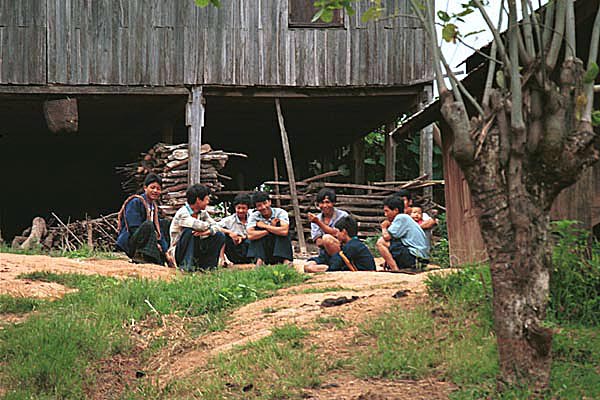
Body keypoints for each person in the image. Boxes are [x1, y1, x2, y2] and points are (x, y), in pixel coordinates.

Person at [116, 173, 171, 266]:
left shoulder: (154, 207)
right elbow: (133, 228)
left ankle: (163, 257)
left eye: (158, 189)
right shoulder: (135, 202)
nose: (155, 191)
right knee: (148, 225)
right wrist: (154, 243)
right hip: (132, 242)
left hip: (146, 239)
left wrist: (165, 250)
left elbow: (158, 231)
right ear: (145, 188)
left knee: (165, 223)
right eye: (152, 187)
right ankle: (140, 254)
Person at [168, 184, 225, 272]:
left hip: (196, 248)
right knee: (189, 231)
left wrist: (208, 232)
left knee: (219, 235)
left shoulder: (202, 213)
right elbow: (198, 225)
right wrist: (208, 228)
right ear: (198, 200)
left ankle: (209, 267)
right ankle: (186, 266)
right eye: (206, 199)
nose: (208, 201)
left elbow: (218, 226)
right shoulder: (182, 213)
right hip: (179, 251)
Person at [376, 195, 429, 273]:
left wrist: (383, 227)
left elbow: (387, 237)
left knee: (381, 242)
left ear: (396, 210)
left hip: (414, 256)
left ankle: (395, 269)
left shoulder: (401, 217)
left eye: (387, 211)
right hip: (420, 257)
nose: (385, 214)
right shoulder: (405, 218)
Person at [304, 216, 375, 273]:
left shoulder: (352, 246)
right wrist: (314, 261)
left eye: (337, 232)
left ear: (344, 232)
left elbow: (335, 266)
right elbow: (326, 258)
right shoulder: (349, 245)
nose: (336, 235)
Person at [246, 191, 293, 266]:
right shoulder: (254, 216)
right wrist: (270, 229)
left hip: (278, 248)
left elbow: (284, 231)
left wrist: (265, 226)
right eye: (259, 205)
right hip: (264, 250)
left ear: (270, 202)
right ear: (256, 207)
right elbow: (250, 235)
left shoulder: (280, 212)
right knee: (257, 231)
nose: (263, 207)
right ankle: (260, 260)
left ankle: (285, 260)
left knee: (281, 228)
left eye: (265, 203)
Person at [307, 188, 349, 266]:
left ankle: (338, 265)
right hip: (324, 254)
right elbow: (318, 242)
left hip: (342, 253)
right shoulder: (317, 218)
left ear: (333, 203)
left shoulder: (343, 216)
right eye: (322, 203)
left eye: (327, 202)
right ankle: (330, 268)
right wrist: (331, 242)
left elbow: (343, 236)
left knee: (327, 238)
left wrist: (319, 223)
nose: (325, 206)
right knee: (308, 266)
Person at [218, 193, 252, 265]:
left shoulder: (253, 218)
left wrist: (243, 237)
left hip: (249, 246)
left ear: (248, 208)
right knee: (222, 235)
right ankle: (222, 259)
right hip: (234, 249)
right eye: (238, 208)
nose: (240, 211)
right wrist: (229, 232)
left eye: (243, 208)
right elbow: (215, 227)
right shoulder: (229, 220)